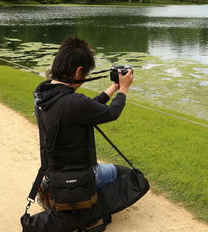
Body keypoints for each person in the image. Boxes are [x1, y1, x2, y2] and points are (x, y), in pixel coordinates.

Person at [33, 37, 133, 209]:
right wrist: (124, 89)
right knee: (129, 176)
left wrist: (113, 88)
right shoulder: (73, 102)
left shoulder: (44, 95)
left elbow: (84, 108)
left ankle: (54, 192)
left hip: (56, 171)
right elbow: (112, 112)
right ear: (79, 72)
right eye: (86, 74)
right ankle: (88, 205)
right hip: (78, 174)